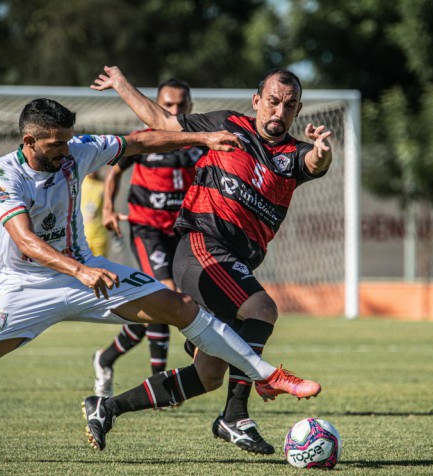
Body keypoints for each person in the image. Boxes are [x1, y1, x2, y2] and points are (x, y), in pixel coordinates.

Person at [0, 97, 320, 462]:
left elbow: (138, 141)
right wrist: (80, 269)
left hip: (87, 272)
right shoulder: (6, 174)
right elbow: (24, 240)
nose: (66, 150)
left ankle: (264, 372)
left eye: (69, 140)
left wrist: (203, 137)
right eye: (56, 144)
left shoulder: (77, 150)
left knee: (180, 307)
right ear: (29, 141)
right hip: (28, 285)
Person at [90, 66, 333, 455]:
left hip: (234, 263)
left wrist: (323, 150)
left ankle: (107, 407)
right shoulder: (227, 125)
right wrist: (121, 84)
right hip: (203, 248)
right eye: (272, 101)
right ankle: (235, 416)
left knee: (208, 375)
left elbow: (315, 164)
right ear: (257, 101)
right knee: (262, 308)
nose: (278, 112)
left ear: (297, 110)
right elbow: (161, 122)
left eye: (289, 106)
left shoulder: (294, 155)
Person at [92, 78, 202, 397]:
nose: (175, 110)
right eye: (168, 105)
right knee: (166, 294)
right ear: (154, 107)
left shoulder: (198, 144)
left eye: (182, 105)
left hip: (182, 231)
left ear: (191, 108)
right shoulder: (143, 140)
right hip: (147, 229)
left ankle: (105, 357)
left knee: (165, 306)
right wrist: (108, 209)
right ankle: (161, 383)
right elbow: (114, 173)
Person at [80, 169, 110, 258]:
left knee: (100, 266)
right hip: (82, 236)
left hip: (99, 235)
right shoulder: (80, 182)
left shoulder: (102, 186)